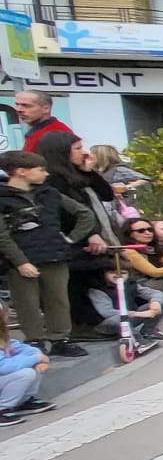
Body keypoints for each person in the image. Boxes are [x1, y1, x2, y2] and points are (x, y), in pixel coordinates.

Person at [0, 150, 99, 357]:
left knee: (58, 300)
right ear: (21, 172)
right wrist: (20, 262)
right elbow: (2, 235)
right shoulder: (3, 198)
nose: (46, 174)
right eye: (40, 169)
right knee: (27, 303)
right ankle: (34, 340)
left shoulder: (49, 193)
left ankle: (60, 339)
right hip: (21, 259)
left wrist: (69, 239)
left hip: (55, 255)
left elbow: (84, 214)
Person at [33, 131, 117, 337]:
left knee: (87, 281)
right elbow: (66, 212)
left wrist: (89, 172)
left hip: (87, 235)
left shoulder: (75, 174)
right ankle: (80, 326)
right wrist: (89, 233)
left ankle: (91, 322)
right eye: (78, 148)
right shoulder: (53, 179)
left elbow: (106, 194)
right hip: (72, 240)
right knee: (75, 283)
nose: (84, 153)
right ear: (62, 152)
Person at [86, 264, 163, 342]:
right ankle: (136, 339)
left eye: (123, 273)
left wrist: (155, 302)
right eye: (112, 272)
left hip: (130, 319)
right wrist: (136, 314)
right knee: (118, 319)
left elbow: (156, 293)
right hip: (109, 324)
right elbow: (107, 312)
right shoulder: (98, 290)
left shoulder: (130, 284)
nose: (118, 275)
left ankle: (148, 331)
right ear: (104, 274)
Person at [0, 305, 52, 425]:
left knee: (33, 368)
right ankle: (2, 408)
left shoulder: (3, 337)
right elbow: (3, 367)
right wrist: (35, 358)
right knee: (25, 373)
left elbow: (20, 347)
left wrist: (38, 357)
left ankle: (23, 401)